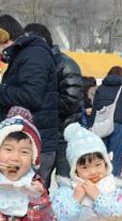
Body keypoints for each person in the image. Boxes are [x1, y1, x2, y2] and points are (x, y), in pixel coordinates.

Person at [0, 14, 58, 187]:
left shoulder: (33, 55)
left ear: (2, 37)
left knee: (27, 203)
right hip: (25, 143)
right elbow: (11, 105)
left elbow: (30, 97)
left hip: (32, 147)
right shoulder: (25, 55)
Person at [23, 23, 84, 188]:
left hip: (63, 134)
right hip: (42, 133)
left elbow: (71, 101)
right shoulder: (35, 64)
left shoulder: (65, 64)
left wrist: (39, 100)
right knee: (38, 186)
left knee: (66, 186)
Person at [51, 123, 122, 221]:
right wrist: (75, 199)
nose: (93, 171)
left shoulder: (113, 189)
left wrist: (97, 196)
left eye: (98, 165)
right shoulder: (67, 191)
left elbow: (120, 216)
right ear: (75, 170)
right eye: (85, 167)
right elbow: (60, 220)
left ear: (106, 164)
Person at [90, 66, 122, 177]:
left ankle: (101, 179)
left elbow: (94, 108)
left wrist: (90, 125)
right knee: (115, 154)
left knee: (102, 154)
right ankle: (113, 180)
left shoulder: (100, 88)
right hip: (117, 123)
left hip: (101, 124)